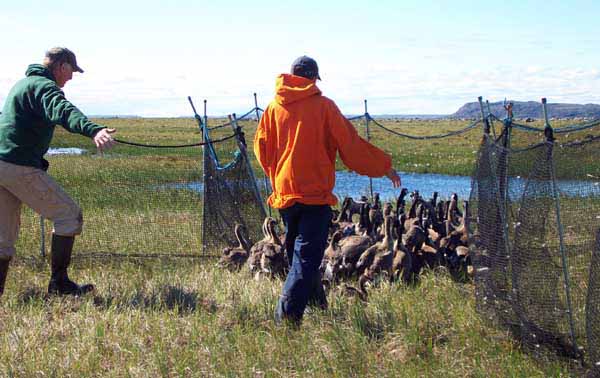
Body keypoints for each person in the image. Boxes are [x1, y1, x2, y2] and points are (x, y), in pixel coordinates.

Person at [254, 55, 401, 325]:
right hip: (314, 196)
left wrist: (279, 176)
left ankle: (319, 308)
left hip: (286, 195)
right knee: (306, 259)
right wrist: (384, 167)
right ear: (312, 78)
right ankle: (284, 320)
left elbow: (262, 150)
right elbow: (352, 147)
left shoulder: (273, 108)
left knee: (301, 255)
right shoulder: (324, 107)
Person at [0, 47, 116, 298]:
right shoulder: (44, 86)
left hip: (2, 165)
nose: (71, 77)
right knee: (69, 215)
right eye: (72, 70)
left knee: (3, 239)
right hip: (19, 166)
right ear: (61, 66)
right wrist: (93, 130)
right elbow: (62, 110)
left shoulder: (22, 84)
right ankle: (60, 286)